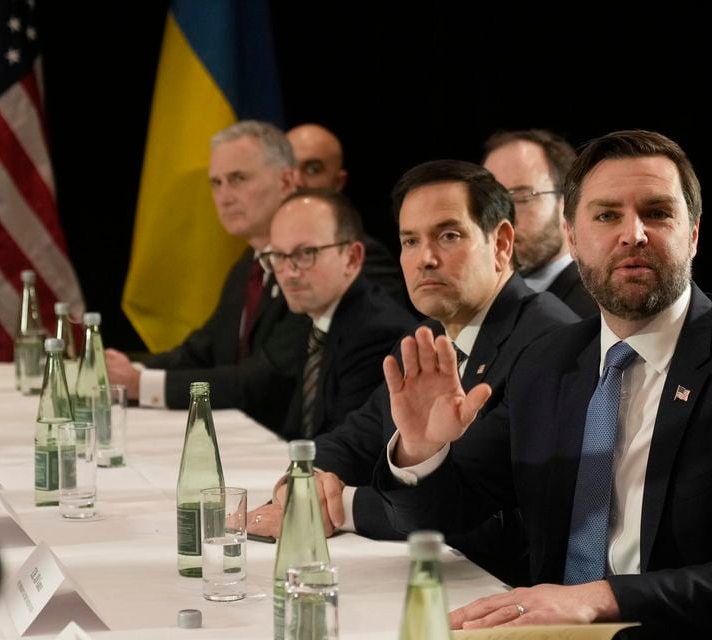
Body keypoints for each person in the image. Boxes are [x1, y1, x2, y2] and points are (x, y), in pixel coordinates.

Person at [377, 129, 712, 636]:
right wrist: (419, 449)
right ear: (572, 236)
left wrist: (603, 599)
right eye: (607, 215)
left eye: (657, 212)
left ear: (693, 234)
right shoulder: (547, 361)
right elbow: (440, 515)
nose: (633, 233)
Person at [248, 160, 579, 585]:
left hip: (503, 591)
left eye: (448, 236)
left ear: (501, 243)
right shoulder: (425, 335)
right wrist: (303, 481)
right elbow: (353, 438)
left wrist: (338, 507)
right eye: (409, 240)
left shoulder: (548, 340)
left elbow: (468, 507)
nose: (424, 259)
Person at [106, 121, 310, 427]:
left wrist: (141, 384)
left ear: (287, 180)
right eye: (216, 183)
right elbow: (202, 350)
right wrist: (120, 368)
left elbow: (264, 378)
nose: (224, 197)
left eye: (238, 179)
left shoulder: (315, 261)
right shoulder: (247, 264)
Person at [263, 188, 416, 440]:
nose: (288, 272)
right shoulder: (313, 317)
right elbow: (297, 430)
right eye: (278, 255)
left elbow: (346, 444)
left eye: (306, 253)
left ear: (352, 258)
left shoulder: (377, 333)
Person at [483, 129, 597, 317]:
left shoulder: (599, 308)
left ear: (568, 203)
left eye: (522, 197)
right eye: (492, 201)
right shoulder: (485, 308)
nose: (502, 218)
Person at [286, 123, 405, 303]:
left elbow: (385, 328)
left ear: (338, 182)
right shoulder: (255, 262)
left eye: (312, 169)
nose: (297, 181)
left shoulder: (368, 256)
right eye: (288, 169)